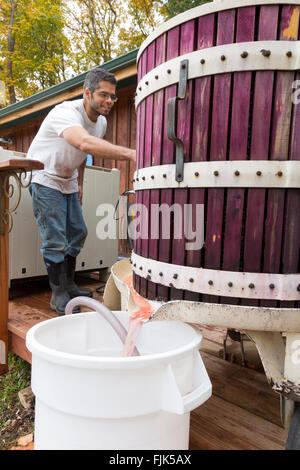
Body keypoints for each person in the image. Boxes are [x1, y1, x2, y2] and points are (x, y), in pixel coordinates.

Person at [27, 68, 136, 315]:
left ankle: (68, 285)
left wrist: (79, 184)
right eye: (103, 95)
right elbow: (83, 142)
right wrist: (131, 154)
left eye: (113, 96)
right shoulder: (65, 112)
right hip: (44, 177)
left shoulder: (101, 123)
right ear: (87, 93)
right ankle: (58, 295)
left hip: (68, 180)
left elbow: (82, 155)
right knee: (55, 239)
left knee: (78, 232)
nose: (109, 101)